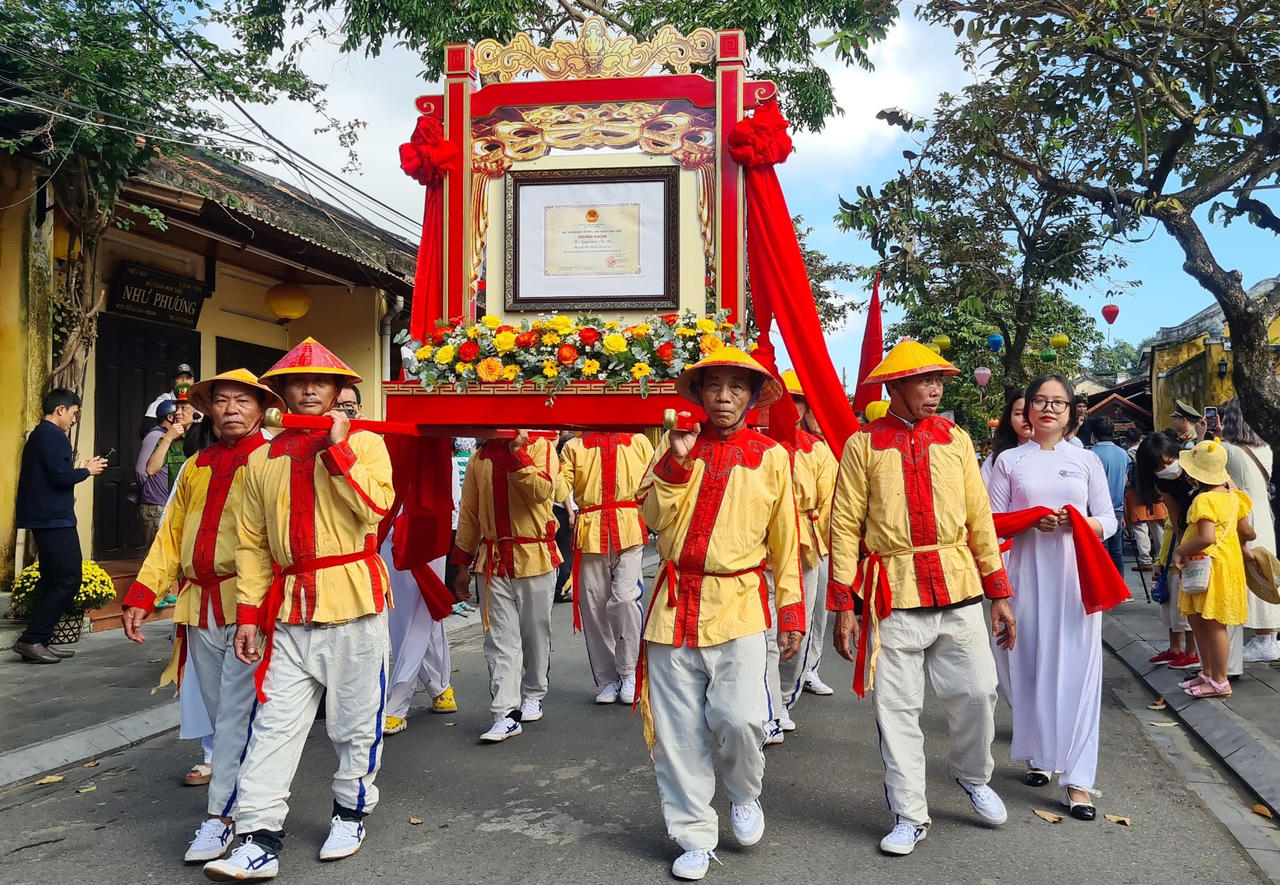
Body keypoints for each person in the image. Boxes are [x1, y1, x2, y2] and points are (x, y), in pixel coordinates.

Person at [204, 338, 394, 880]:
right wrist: (247, 614)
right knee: (273, 726)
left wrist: (338, 450)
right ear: (281, 392)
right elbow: (252, 543)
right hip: (288, 611)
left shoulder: (367, 444)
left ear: (339, 391)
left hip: (354, 598)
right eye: (297, 381)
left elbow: (375, 509)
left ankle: (351, 810)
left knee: (355, 723)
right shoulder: (261, 458)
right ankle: (258, 836)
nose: (309, 389)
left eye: (320, 382)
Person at [828, 339, 1016, 857]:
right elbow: (844, 527)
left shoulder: (956, 438)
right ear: (895, 386)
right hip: (891, 596)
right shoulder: (863, 445)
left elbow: (980, 518)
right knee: (897, 710)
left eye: (939, 382)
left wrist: (998, 593)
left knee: (979, 693)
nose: (934, 390)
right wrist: (843, 604)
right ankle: (910, 813)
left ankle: (972, 776)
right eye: (923, 381)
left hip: (958, 588)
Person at [636, 346, 803, 882]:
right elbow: (652, 519)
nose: (724, 396)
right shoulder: (672, 447)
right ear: (700, 394)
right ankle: (692, 834)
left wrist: (791, 610)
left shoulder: (772, 455)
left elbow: (785, 538)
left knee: (741, 718)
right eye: (714, 386)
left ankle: (744, 793)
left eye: (737, 387)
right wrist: (677, 462)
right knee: (676, 731)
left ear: (753, 398)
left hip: (739, 605)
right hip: (673, 604)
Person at [119, 368, 281, 863]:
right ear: (208, 409)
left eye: (242, 401)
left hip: (253, 605)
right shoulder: (194, 465)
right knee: (221, 715)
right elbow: (170, 536)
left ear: (261, 408)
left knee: (236, 715)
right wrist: (143, 596)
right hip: (199, 606)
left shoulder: (275, 458)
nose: (231, 409)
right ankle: (251, 808)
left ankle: (223, 818)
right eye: (222, 401)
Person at [986, 375, 1118, 821]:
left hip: (1076, 578)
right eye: (1040, 401)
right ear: (1026, 410)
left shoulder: (1085, 463)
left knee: (1080, 673)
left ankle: (1078, 781)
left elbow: (1108, 519)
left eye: (1058, 403)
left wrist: (1079, 524)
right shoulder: (1009, 461)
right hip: (1025, 575)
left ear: (1072, 412)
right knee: (1031, 664)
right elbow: (991, 521)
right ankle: (1040, 755)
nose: (1048, 409)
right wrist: (1029, 521)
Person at [450, 430, 560, 743]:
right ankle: (504, 713)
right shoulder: (478, 458)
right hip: (492, 559)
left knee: (535, 632)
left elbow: (542, 492)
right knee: (499, 638)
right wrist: (462, 564)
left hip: (535, 555)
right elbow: (469, 514)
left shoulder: (540, 448)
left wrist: (517, 454)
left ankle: (534, 693)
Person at [556, 430, 654, 705]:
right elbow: (560, 489)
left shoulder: (639, 441)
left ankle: (630, 670)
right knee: (595, 608)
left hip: (629, 526)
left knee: (624, 599)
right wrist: (550, 460)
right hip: (590, 531)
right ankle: (609, 678)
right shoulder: (574, 445)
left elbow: (654, 482)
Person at [11, 389, 107, 663]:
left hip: (47, 516)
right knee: (68, 579)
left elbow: (54, 473)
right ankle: (32, 639)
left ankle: (38, 638)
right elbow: (60, 477)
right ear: (60, 410)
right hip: (53, 518)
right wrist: (87, 471)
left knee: (52, 579)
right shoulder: (53, 436)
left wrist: (81, 467)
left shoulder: (42, 436)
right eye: (74, 413)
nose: (75, 419)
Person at [775, 370, 838, 723]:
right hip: (763, 545)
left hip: (806, 542)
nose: (791, 407)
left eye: (798, 400)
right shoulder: (760, 444)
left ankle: (785, 697)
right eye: (785, 399)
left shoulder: (817, 449)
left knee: (804, 618)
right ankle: (767, 699)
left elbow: (831, 500)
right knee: (767, 626)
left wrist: (827, 541)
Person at [1173, 440, 1255, 698]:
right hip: (1225, 565)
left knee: (1212, 624)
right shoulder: (1235, 499)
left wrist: (1180, 550)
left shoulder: (1204, 500)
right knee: (1202, 620)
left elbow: (1206, 537)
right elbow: (1248, 532)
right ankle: (1208, 673)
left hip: (1209, 565)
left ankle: (1219, 679)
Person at [1217, 399, 1279, 661]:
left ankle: (1263, 638)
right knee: (1266, 573)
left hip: (1244, 517)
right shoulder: (1266, 447)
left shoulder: (1229, 451)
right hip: (1264, 515)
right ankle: (1269, 635)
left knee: (1250, 575)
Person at [1135, 433, 1199, 669]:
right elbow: (1175, 517)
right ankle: (1175, 648)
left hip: (1203, 532)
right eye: (1159, 466)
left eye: (1169, 461)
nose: (1166, 468)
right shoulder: (1163, 483)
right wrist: (1178, 550)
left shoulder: (1196, 468)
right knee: (1171, 597)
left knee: (1189, 599)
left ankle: (1192, 652)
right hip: (1180, 533)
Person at [137, 399, 190, 550]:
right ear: (170, 417)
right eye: (176, 411)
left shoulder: (191, 437)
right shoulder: (157, 436)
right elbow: (143, 471)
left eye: (183, 408)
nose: (179, 414)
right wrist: (151, 493)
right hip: (158, 505)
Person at [1090, 417, 1131, 575]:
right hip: (1118, 507)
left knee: (1102, 549)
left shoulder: (1091, 455)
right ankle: (1120, 584)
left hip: (1096, 510)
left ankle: (1106, 583)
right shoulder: (1123, 454)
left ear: (1094, 435)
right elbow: (1126, 478)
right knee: (1117, 549)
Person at [980, 392, 1033, 484]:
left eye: (1030, 412)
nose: (1025, 419)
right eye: (1018, 413)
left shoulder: (1059, 453)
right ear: (1009, 420)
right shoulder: (998, 459)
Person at [140, 363, 196, 439]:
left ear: (193, 381)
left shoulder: (199, 401)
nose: (184, 381)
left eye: (188, 378)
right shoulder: (163, 400)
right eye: (179, 377)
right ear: (173, 381)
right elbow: (146, 429)